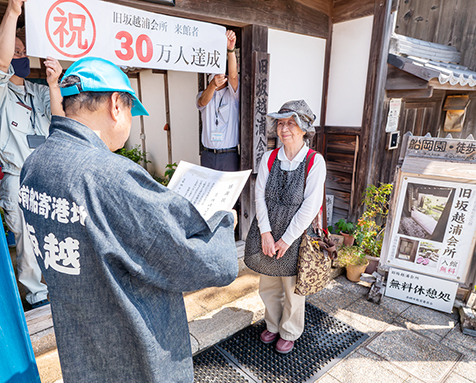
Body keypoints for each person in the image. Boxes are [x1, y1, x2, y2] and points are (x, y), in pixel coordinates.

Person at [19, 57, 239, 383]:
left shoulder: (34, 164)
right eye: (132, 112)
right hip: (134, 354)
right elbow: (209, 263)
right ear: (115, 105)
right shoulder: (110, 175)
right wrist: (223, 222)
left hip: (80, 348)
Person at [244, 100, 326, 354]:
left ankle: (289, 330)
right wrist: (266, 234)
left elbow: (310, 206)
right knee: (268, 285)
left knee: (292, 289)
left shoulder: (314, 161)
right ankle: (271, 323)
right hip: (268, 231)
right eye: (281, 123)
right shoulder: (269, 158)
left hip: (296, 237)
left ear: (304, 128)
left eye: (291, 123)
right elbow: (260, 196)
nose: (284, 128)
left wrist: (286, 239)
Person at [0, 0, 64, 308]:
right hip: (17, 178)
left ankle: (56, 290)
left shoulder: (38, 90)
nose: (20, 55)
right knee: (26, 243)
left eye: (24, 50)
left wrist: (53, 84)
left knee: (51, 236)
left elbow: (60, 116)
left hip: (46, 178)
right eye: (15, 50)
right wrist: (13, 12)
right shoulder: (1, 93)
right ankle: (37, 299)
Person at [197, 29, 240, 171]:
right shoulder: (203, 94)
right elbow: (202, 102)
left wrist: (231, 50)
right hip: (207, 154)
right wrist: (213, 85)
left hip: (229, 155)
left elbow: (234, 76)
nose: (218, 74)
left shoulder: (233, 94)